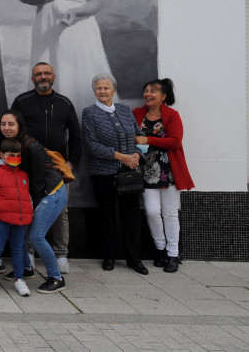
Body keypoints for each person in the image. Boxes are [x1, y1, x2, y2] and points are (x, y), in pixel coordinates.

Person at [11, 62, 81, 274]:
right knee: (28, 207)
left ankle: (61, 254)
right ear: (32, 79)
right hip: (30, 165)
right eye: (38, 74)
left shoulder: (64, 103)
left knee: (61, 211)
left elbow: (76, 136)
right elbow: (14, 132)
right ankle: (29, 253)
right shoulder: (22, 101)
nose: (43, 77)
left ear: (53, 76)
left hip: (58, 166)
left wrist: (71, 162)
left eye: (46, 73)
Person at [82, 73, 147, 274]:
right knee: (106, 215)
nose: (102, 91)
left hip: (129, 172)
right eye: (99, 88)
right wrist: (121, 156)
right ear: (94, 91)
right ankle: (108, 256)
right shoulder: (89, 113)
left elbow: (141, 137)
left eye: (106, 88)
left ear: (113, 90)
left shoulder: (125, 110)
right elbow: (91, 145)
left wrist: (135, 155)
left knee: (131, 216)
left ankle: (133, 259)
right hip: (103, 173)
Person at [0, 110, 68, 294]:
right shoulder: (9, 144)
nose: (6, 128)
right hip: (34, 194)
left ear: (19, 125)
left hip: (50, 192)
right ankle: (27, 268)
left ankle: (56, 278)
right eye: (3, 124)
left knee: (36, 236)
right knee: (17, 231)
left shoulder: (32, 146)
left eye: (11, 124)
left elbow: (37, 182)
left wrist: (29, 208)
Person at [133, 78, 195, 273]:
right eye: (146, 90)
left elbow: (175, 142)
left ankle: (173, 254)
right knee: (151, 211)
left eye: (153, 91)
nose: (148, 94)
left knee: (170, 213)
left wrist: (148, 139)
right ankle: (160, 249)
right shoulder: (136, 114)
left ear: (163, 96)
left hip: (169, 171)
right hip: (146, 172)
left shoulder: (172, 115)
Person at [0, 139, 33, 297]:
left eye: (18, 155)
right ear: (2, 155)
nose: (15, 158)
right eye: (11, 155)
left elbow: (27, 196)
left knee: (18, 249)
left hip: (20, 219)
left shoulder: (24, 174)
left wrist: (29, 213)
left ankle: (19, 279)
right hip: (2, 218)